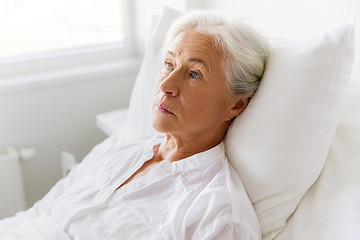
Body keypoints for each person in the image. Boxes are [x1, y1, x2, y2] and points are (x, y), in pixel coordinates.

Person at [0, 10, 268, 240]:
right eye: (168, 64)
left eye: (194, 74)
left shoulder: (218, 215)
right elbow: (39, 213)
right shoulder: (120, 150)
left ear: (236, 105)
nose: (165, 85)